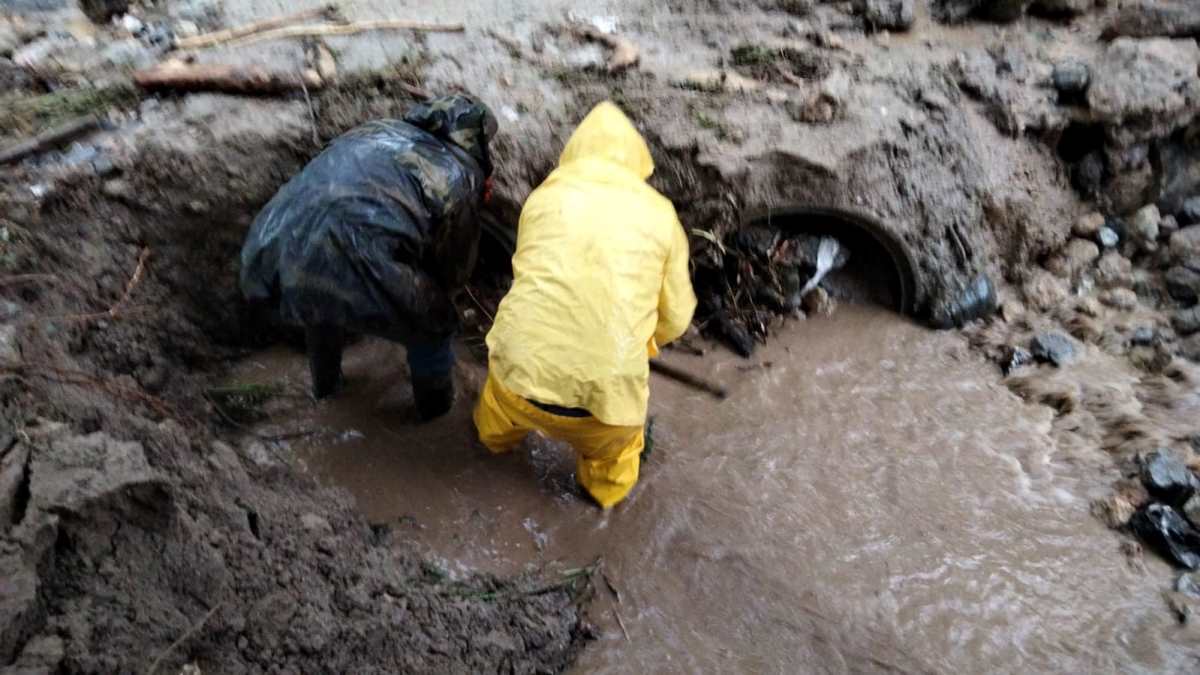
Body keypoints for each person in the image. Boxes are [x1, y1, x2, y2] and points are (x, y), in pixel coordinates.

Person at [474, 101, 697, 508]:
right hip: (606, 409)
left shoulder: (545, 197)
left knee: (497, 417)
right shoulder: (661, 215)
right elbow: (677, 318)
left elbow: (529, 274)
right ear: (638, 159)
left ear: (574, 150)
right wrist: (643, 341)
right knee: (615, 457)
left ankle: (492, 444)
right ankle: (600, 501)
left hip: (518, 379)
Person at [239, 94, 497, 420]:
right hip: (347, 253)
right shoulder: (460, 173)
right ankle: (435, 413)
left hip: (269, 247)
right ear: (475, 141)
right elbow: (452, 273)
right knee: (435, 322)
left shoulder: (378, 130)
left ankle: (326, 391)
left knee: (321, 304)